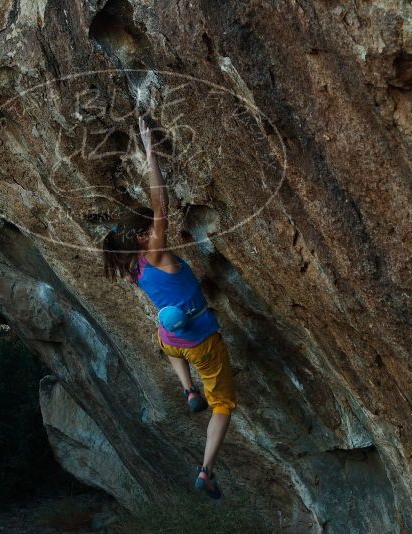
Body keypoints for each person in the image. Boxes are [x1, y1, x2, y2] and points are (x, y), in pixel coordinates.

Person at [101, 116, 237, 499]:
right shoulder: (155, 253)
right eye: (152, 227)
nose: (159, 227)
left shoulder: (132, 266)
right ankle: (206, 470)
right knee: (223, 404)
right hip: (200, 341)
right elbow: (160, 203)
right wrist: (149, 151)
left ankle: (187, 389)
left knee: (165, 338)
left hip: (172, 339)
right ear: (145, 236)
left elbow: (140, 223)